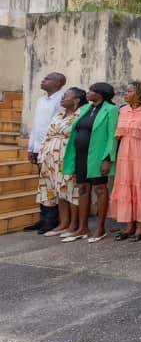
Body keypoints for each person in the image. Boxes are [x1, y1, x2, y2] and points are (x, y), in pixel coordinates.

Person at [60, 82, 118, 244]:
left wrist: (107, 158)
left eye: (92, 91)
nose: (88, 93)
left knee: (100, 189)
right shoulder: (86, 108)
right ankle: (82, 228)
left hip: (98, 157)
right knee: (83, 188)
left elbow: (112, 136)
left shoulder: (111, 110)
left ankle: (100, 228)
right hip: (80, 155)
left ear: (100, 94)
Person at [110, 81, 141, 242]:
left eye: (129, 91)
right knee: (126, 186)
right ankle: (129, 226)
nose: (125, 93)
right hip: (125, 153)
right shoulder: (123, 110)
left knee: (140, 185)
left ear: (139, 93)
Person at [26, 71, 68, 233]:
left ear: (57, 83)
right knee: (43, 185)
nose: (43, 81)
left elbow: (56, 126)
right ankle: (43, 218)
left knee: (52, 184)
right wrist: (31, 148)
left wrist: (45, 147)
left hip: (51, 148)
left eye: (47, 79)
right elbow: (36, 125)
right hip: (38, 148)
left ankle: (52, 220)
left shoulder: (61, 100)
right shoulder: (41, 100)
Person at [41, 88, 85, 237]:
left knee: (71, 190)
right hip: (51, 157)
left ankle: (74, 225)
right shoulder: (59, 114)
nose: (62, 98)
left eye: (66, 96)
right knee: (59, 191)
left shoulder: (81, 114)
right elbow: (47, 134)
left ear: (76, 100)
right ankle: (63, 224)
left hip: (67, 156)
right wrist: (42, 155)